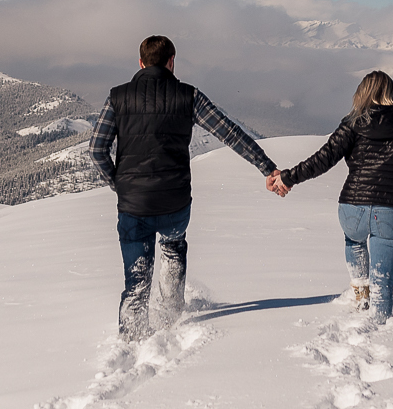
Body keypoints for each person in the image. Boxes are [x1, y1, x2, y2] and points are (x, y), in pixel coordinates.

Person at [90, 34, 283, 340]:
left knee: (136, 280)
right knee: (172, 249)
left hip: (133, 206)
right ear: (171, 62)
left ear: (140, 63)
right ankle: (170, 319)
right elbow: (230, 133)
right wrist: (267, 167)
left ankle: (131, 339)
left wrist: (119, 186)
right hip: (175, 202)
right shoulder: (188, 96)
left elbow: (96, 150)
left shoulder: (118, 97)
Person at [265, 70, 393, 320]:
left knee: (354, 241)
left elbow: (323, 159)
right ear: (392, 93)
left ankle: (359, 289)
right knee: (383, 288)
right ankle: (378, 327)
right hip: (392, 211)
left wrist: (287, 178)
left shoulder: (353, 122)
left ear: (362, 93)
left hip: (352, 208)